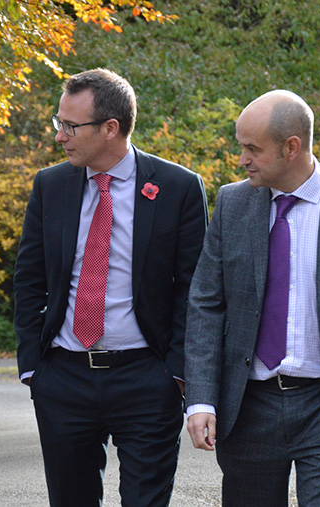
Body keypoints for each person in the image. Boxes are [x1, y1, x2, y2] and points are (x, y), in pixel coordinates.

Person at [185, 90, 320, 506]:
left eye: (253, 149)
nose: (242, 159)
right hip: (248, 407)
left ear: (292, 148)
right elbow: (206, 304)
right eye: (241, 147)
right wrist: (200, 398)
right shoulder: (232, 205)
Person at [14, 68, 208, 506]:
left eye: (69, 126)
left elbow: (194, 290)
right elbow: (28, 277)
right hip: (63, 378)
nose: (60, 136)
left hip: (147, 379)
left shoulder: (178, 188)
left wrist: (175, 374)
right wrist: (33, 367)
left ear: (110, 128)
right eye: (57, 123)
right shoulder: (51, 185)